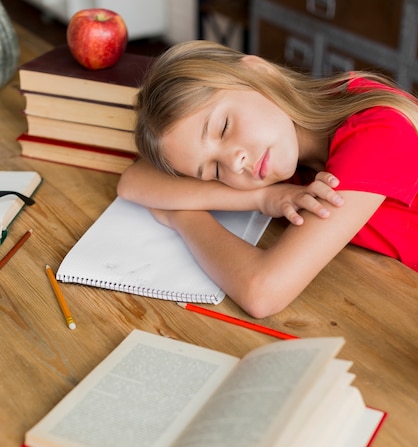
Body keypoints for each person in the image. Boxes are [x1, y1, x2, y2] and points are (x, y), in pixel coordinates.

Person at [117, 40, 418, 318]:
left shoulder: (377, 131)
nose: (235, 163)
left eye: (222, 128)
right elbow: (133, 180)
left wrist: (183, 217)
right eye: (215, 171)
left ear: (259, 74)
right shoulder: (286, 147)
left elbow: (262, 293)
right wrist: (262, 197)